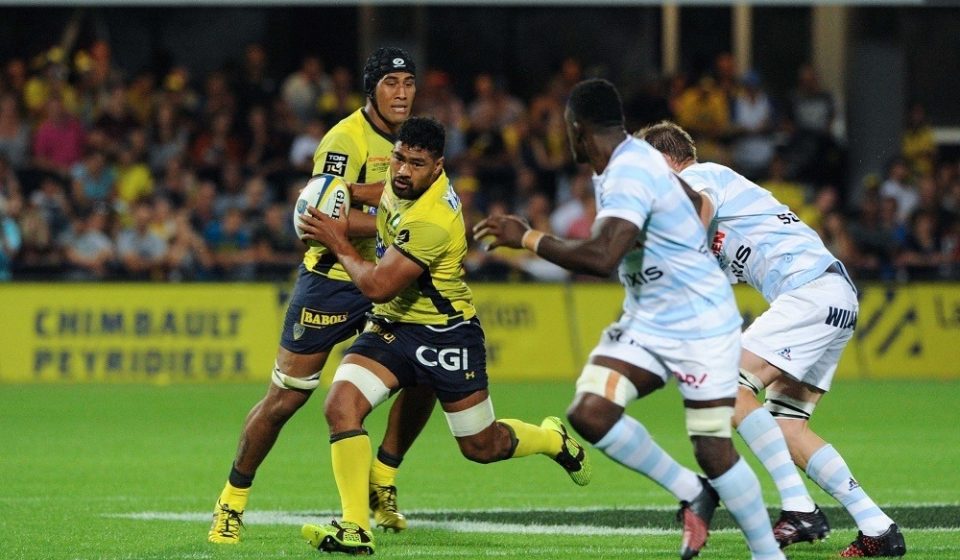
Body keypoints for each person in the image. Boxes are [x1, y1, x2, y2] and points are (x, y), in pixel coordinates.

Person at [474, 79, 785, 560]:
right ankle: (692, 490)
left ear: (577, 130)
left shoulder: (627, 172)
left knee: (713, 448)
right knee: (589, 412)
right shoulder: (629, 160)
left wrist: (528, 237)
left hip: (700, 323)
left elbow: (600, 257)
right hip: (651, 317)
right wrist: (679, 250)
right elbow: (698, 202)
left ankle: (768, 555)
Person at [296, 116, 590, 555]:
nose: (401, 170)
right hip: (393, 326)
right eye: (397, 157)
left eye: (415, 163)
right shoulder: (406, 181)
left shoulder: (433, 219)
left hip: (446, 334)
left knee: (481, 446)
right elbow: (388, 192)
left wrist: (336, 239)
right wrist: (345, 191)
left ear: (438, 168)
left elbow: (376, 285)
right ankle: (355, 527)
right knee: (341, 406)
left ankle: (551, 438)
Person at [638, 120, 906, 558]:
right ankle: (878, 527)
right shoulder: (711, 208)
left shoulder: (697, 177)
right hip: (830, 296)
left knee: (728, 387)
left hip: (810, 293)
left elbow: (696, 214)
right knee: (787, 425)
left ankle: (799, 508)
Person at [207, 47, 435, 543]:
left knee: (427, 369)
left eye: (409, 83)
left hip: (390, 278)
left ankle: (384, 481)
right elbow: (316, 217)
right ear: (371, 88)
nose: (402, 93)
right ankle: (231, 501)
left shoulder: (416, 142)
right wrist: (396, 223)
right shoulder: (345, 139)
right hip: (332, 283)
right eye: (391, 83)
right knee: (285, 400)